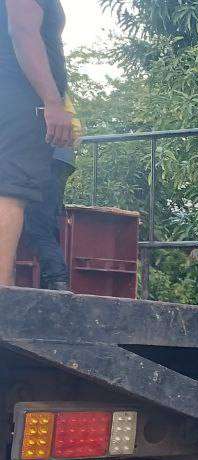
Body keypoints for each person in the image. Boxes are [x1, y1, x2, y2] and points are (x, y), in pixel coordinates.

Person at [1, 0, 76, 286]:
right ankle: (4, 300)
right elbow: (22, 29)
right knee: (11, 191)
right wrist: (52, 102)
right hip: (20, 99)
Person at [18, 144, 72, 289]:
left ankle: (58, 284)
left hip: (41, 155)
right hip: (58, 157)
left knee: (38, 228)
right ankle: (51, 284)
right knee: (46, 223)